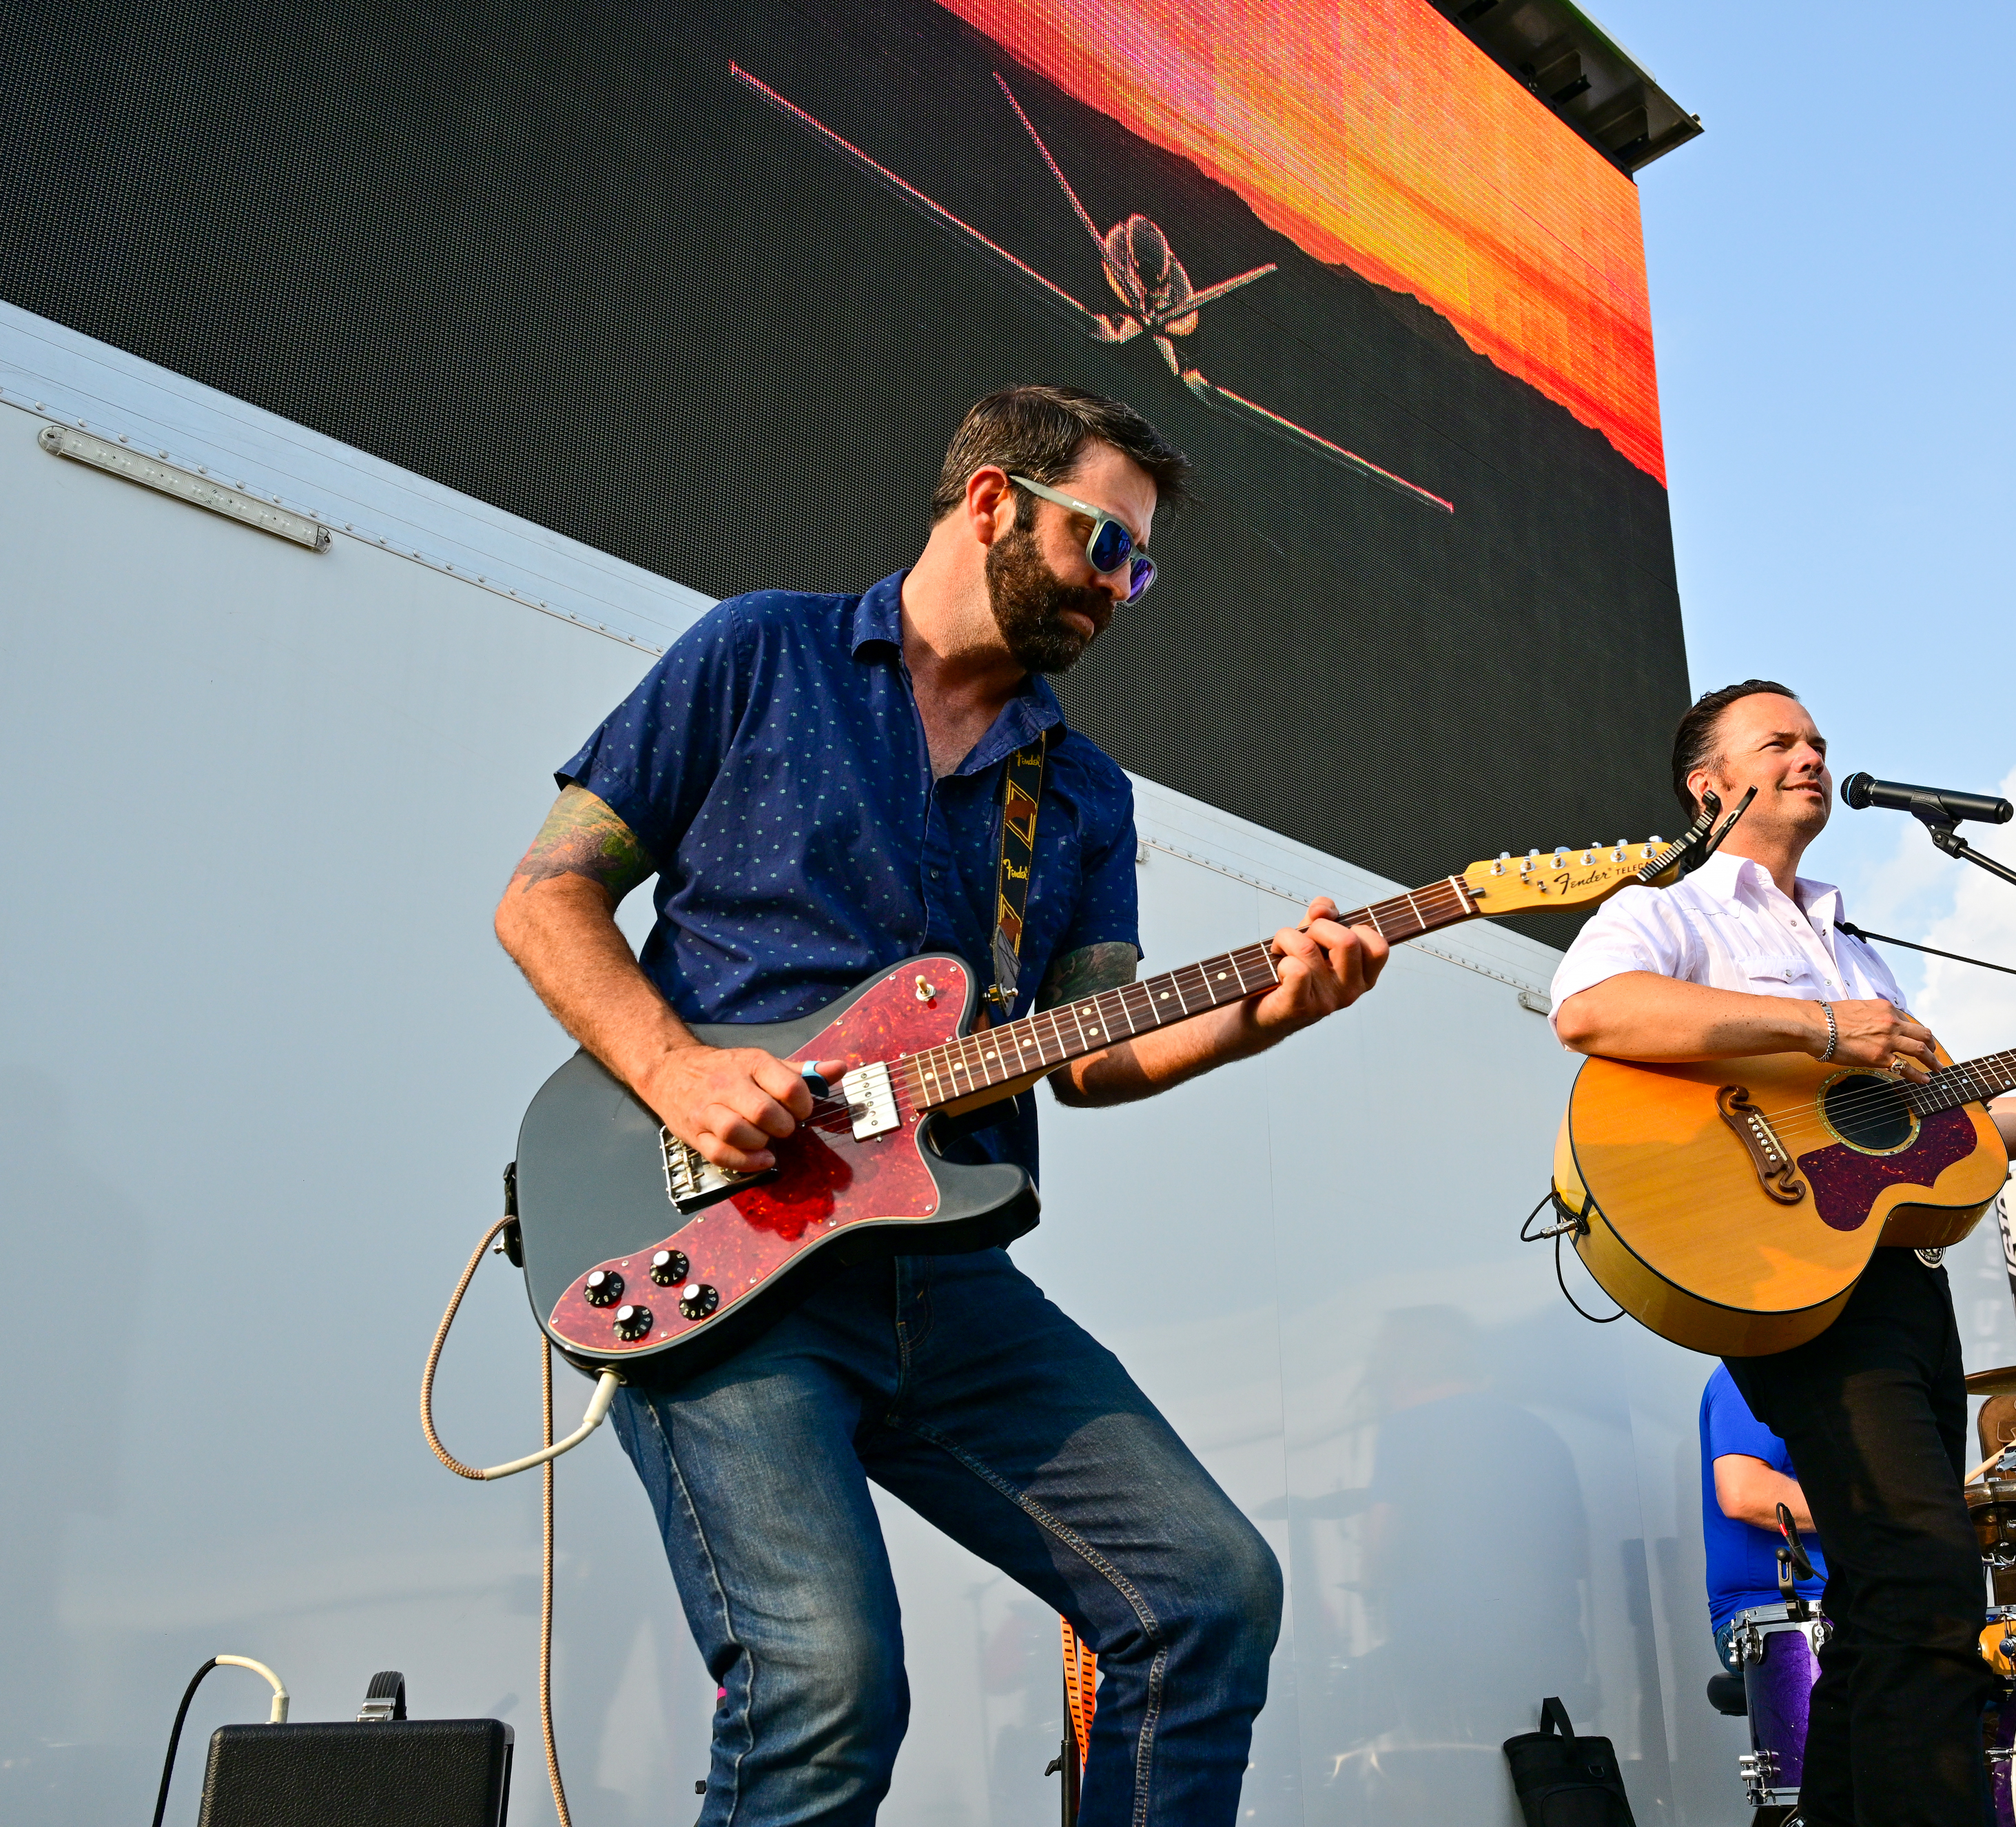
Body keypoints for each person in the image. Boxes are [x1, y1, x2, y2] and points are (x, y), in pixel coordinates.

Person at [492, 385, 1392, 1827]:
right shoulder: (759, 651)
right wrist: (678, 1071)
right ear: (991, 500)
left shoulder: (1081, 792)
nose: (1123, 586)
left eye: (1141, 565)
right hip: (721, 1257)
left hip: (943, 1265)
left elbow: (1088, 1050)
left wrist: (1262, 1014)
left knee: (1206, 1589)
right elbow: (546, 895)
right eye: (1107, 543)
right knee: (828, 1675)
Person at [1548, 680, 2016, 1827]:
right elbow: (1591, 1009)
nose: (1810, 755)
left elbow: (1949, 1139)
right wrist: (1815, 1028)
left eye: (1818, 740)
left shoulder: (1853, 942)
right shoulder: (1684, 903)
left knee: (1885, 1597)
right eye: (1780, 741)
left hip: (1894, 1282)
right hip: (1786, 1275)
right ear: (1711, 784)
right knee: (1924, 1586)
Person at [1701, 1362, 1824, 1664]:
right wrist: (1880, 1508)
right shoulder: (1752, 1370)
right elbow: (1743, 1492)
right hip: (1782, 1619)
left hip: (1853, 1602)